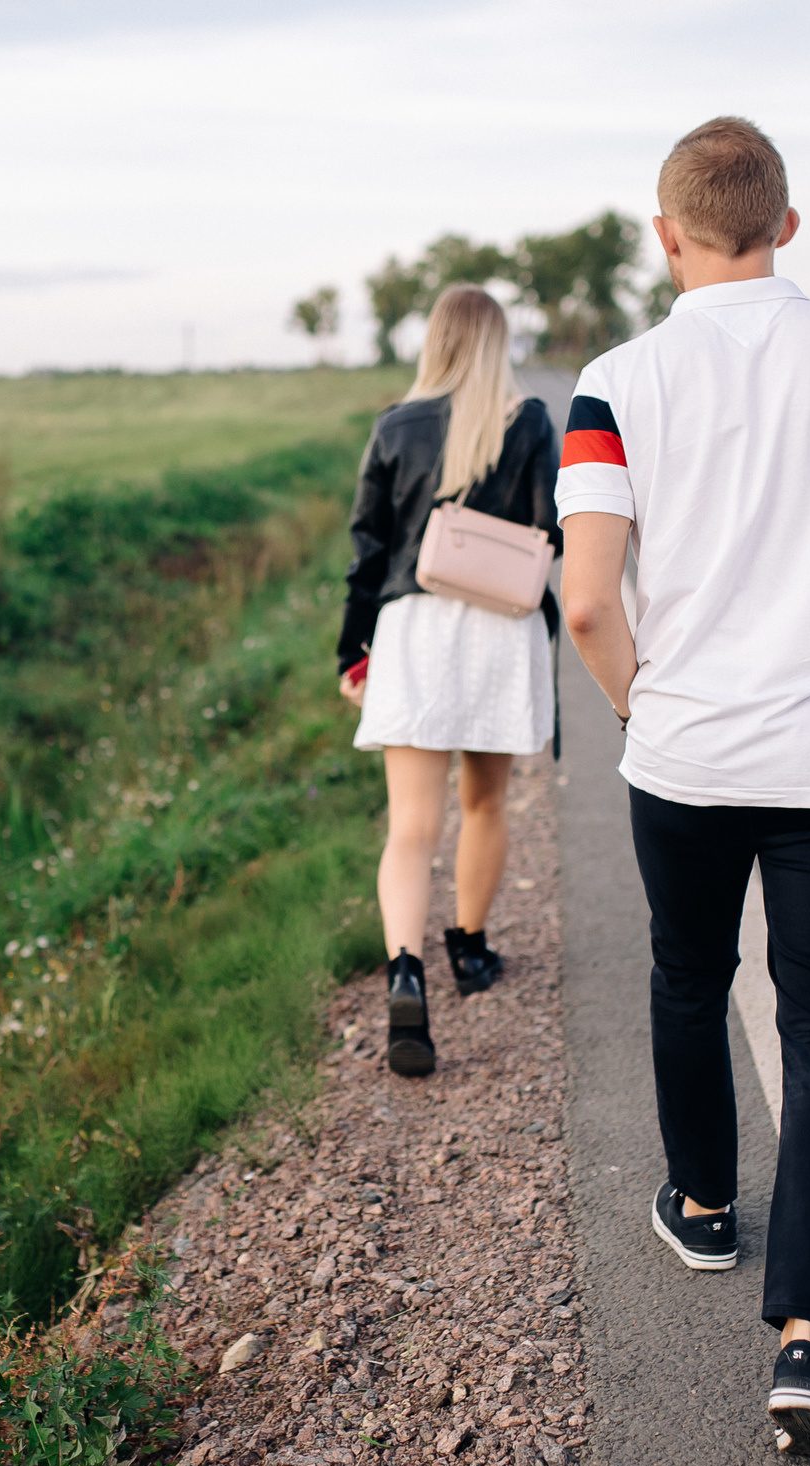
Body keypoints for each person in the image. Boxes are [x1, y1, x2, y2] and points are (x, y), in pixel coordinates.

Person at [556, 117, 810, 1457]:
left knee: (688, 975)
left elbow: (583, 599)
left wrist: (641, 705)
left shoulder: (615, 382)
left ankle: (701, 1203)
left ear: (665, 234)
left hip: (684, 754)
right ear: (786, 224)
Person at [339, 284, 562, 1079]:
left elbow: (368, 553)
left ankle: (406, 969)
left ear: (434, 341)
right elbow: (550, 534)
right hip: (499, 627)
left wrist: (350, 652)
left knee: (410, 828)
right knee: (486, 802)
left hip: (412, 628)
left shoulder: (395, 426)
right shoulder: (529, 421)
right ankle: (469, 949)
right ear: (498, 345)